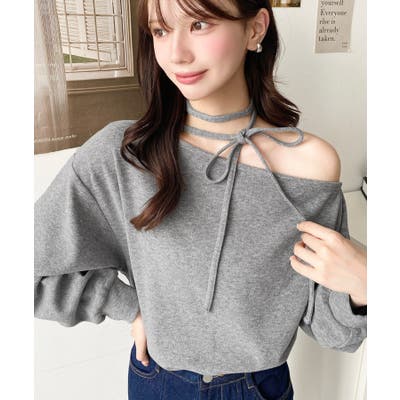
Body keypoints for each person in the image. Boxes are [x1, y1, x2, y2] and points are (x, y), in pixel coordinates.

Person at [34, 1, 367, 399]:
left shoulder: (310, 165)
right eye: (160, 31)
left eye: (199, 24)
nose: (176, 54)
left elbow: (331, 329)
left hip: (259, 388)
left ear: (255, 29)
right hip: (157, 384)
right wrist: (132, 308)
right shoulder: (124, 156)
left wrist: (366, 283)